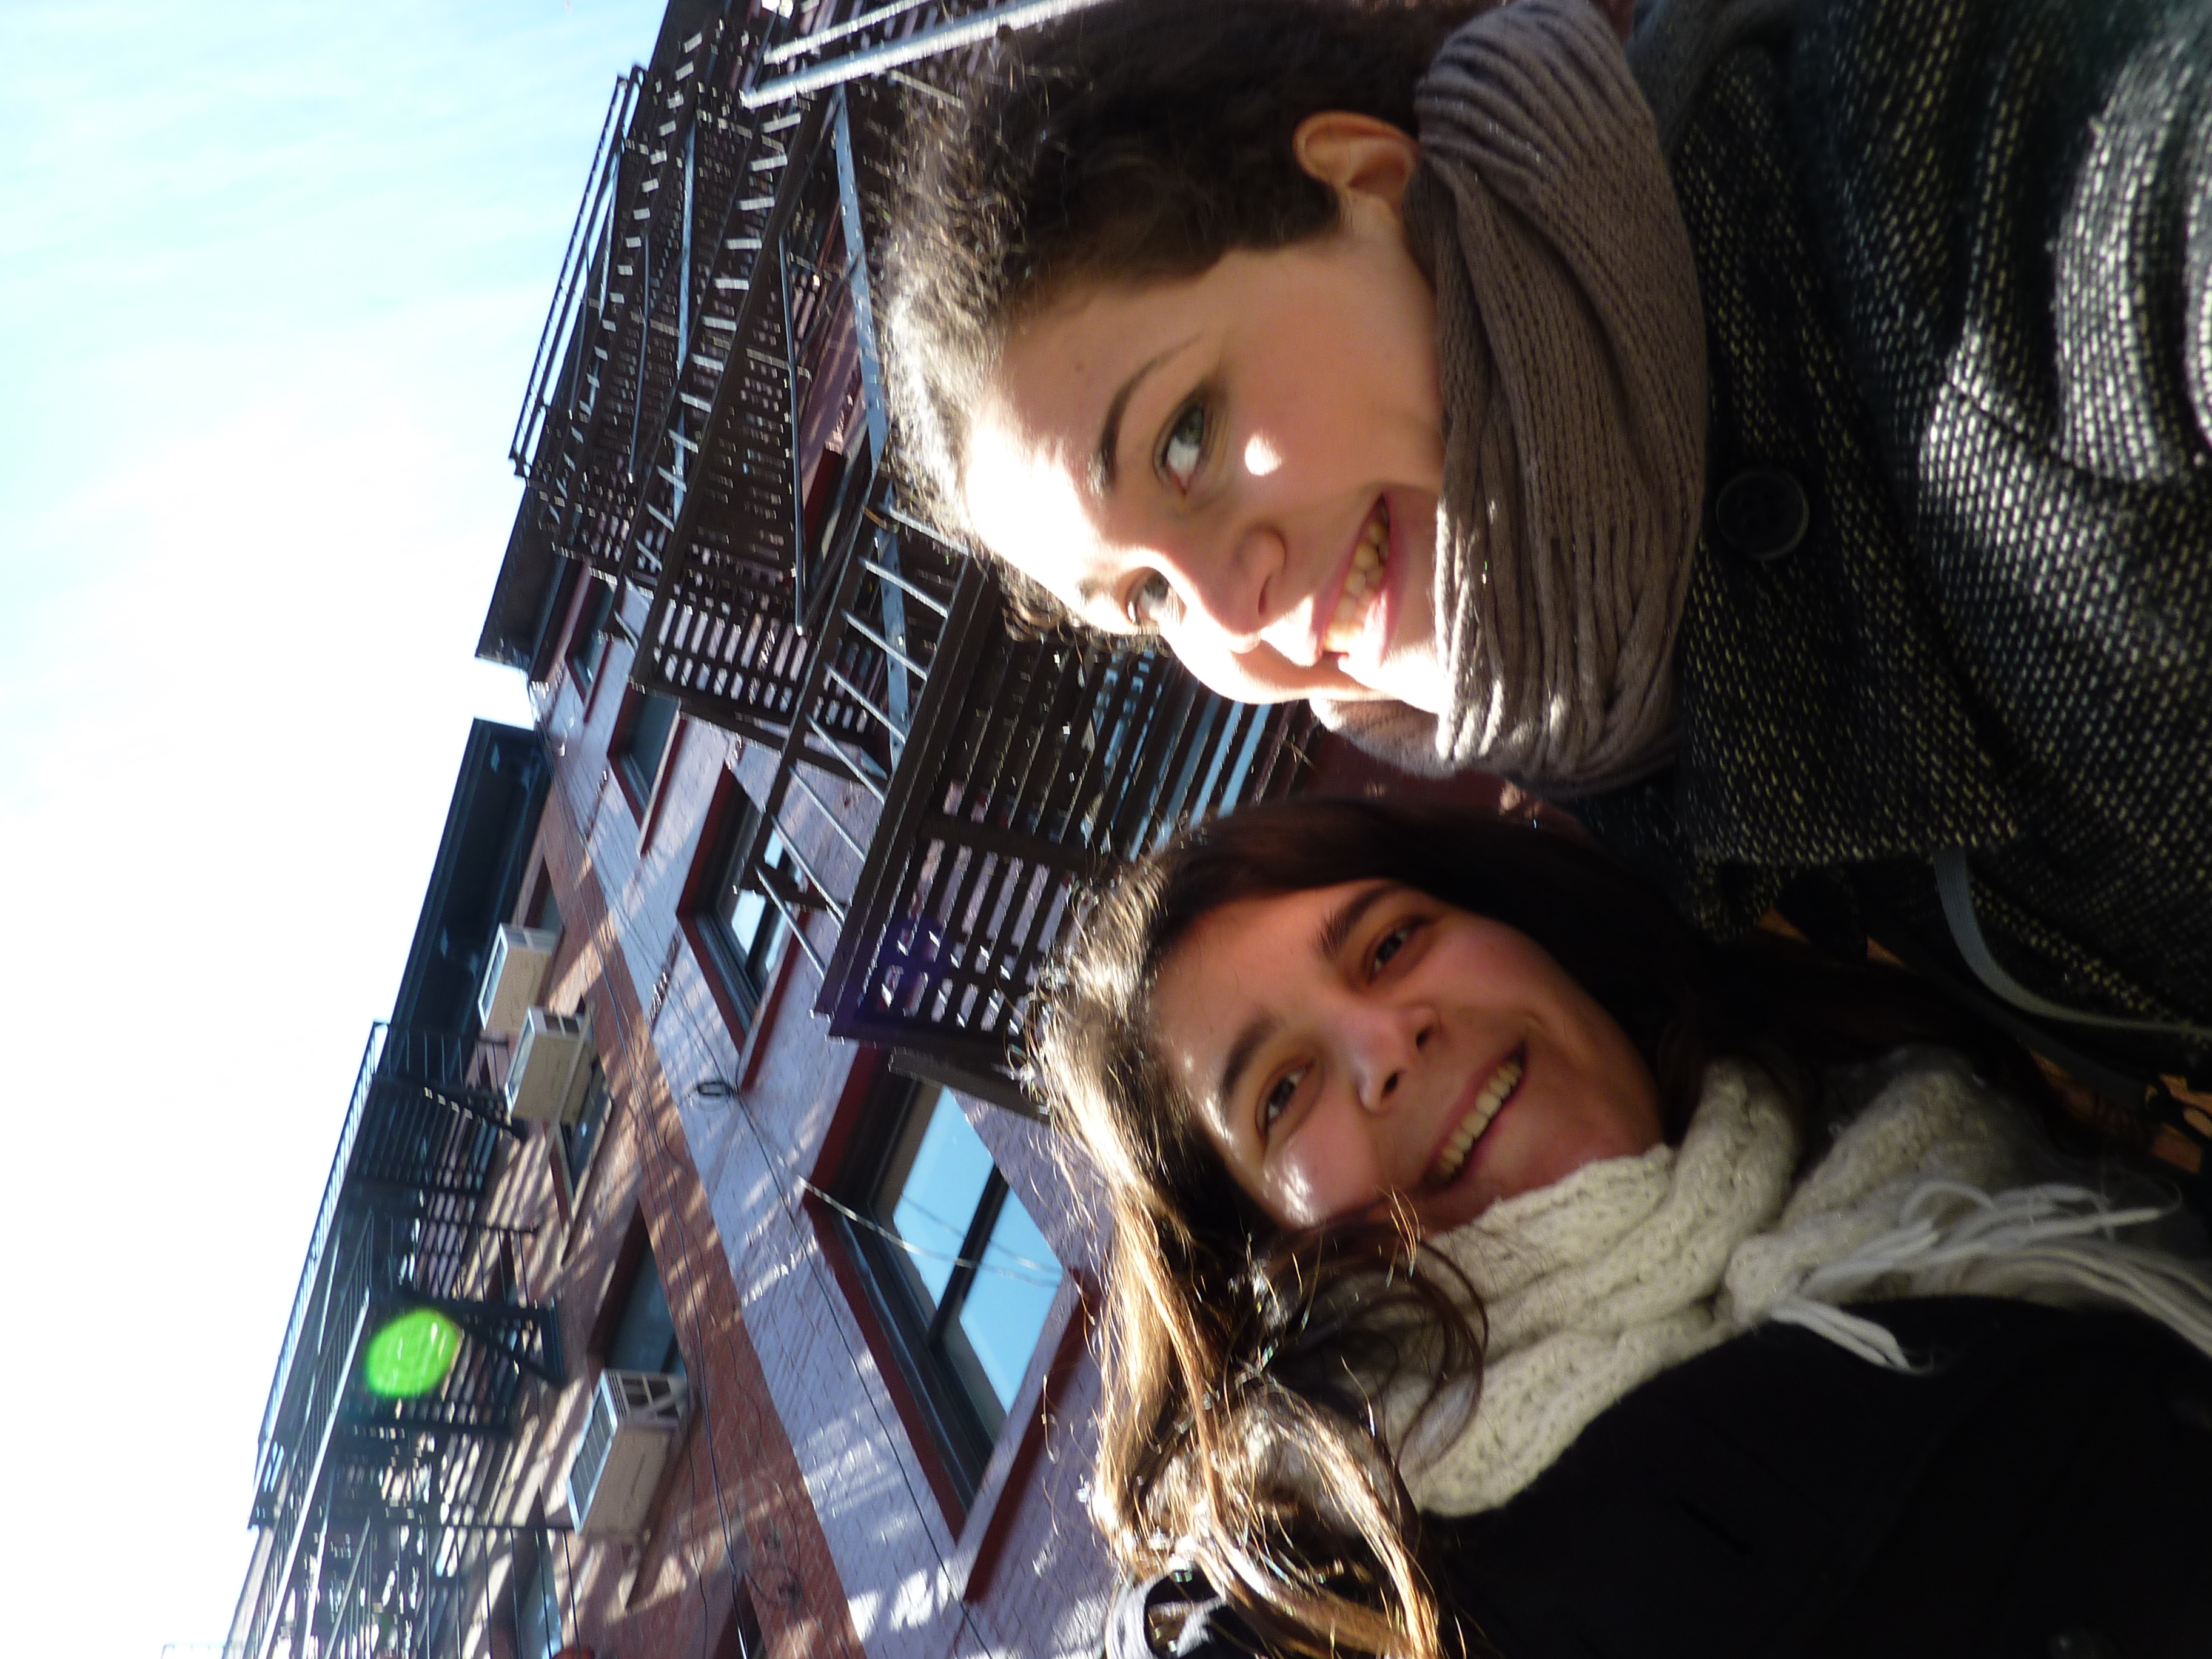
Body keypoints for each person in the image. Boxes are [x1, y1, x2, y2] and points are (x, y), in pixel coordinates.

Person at [877, 0, 2212, 1110]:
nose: (1233, 612)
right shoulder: (1617, 823)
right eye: (1145, 598)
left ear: (1368, 183)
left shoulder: (1912, 157)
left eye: (1186, 438)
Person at [1027, 796, 2212, 1658]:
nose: (1389, 1045)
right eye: (1283, 1092)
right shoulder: (1359, 1602)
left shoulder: (1915, 1090)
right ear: (1258, 1259)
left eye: (1391, 943)